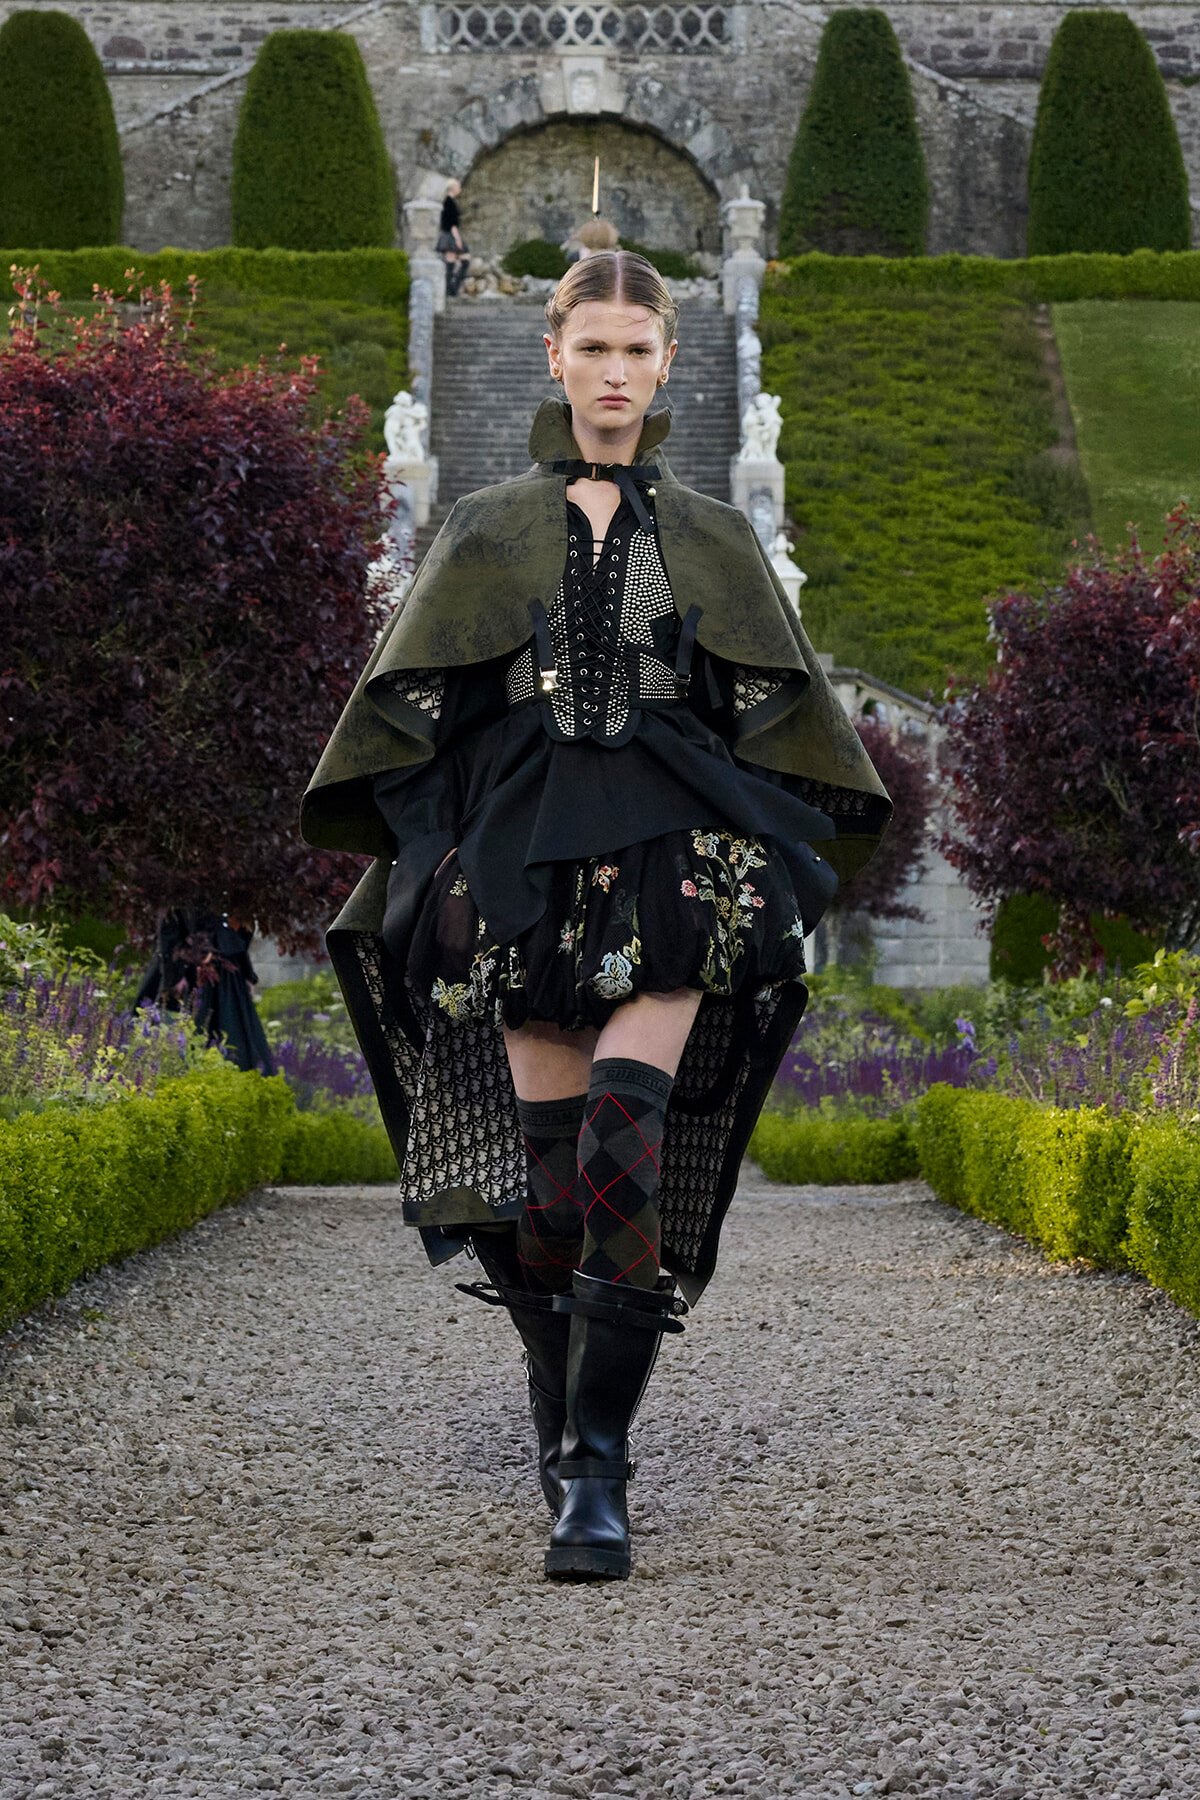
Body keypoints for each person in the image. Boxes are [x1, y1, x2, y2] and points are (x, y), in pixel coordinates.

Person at [301, 252, 891, 1581]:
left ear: (669, 361)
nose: (615, 372)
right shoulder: (486, 524)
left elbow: (775, 711)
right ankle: (561, 1403)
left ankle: (597, 1473)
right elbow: (420, 712)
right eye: (593, 348)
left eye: (636, 349)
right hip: (523, 864)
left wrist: (761, 830)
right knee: (553, 1183)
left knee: (625, 1140)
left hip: (671, 858)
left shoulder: (716, 534)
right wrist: (440, 852)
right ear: (555, 356)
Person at [134, 908, 275, 1075]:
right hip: (189, 966)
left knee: (232, 1041)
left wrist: (246, 973)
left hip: (225, 972)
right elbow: (170, 923)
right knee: (179, 1036)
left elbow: (241, 930)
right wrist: (174, 975)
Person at [437, 180, 470, 297]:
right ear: (453, 188)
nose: (459, 190)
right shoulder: (449, 202)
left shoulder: (447, 201)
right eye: (458, 187)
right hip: (450, 235)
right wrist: (457, 239)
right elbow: (452, 223)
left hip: (448, 234)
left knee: (459, 262)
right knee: (456, 263)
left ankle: (451, 290)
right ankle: (450, 290)